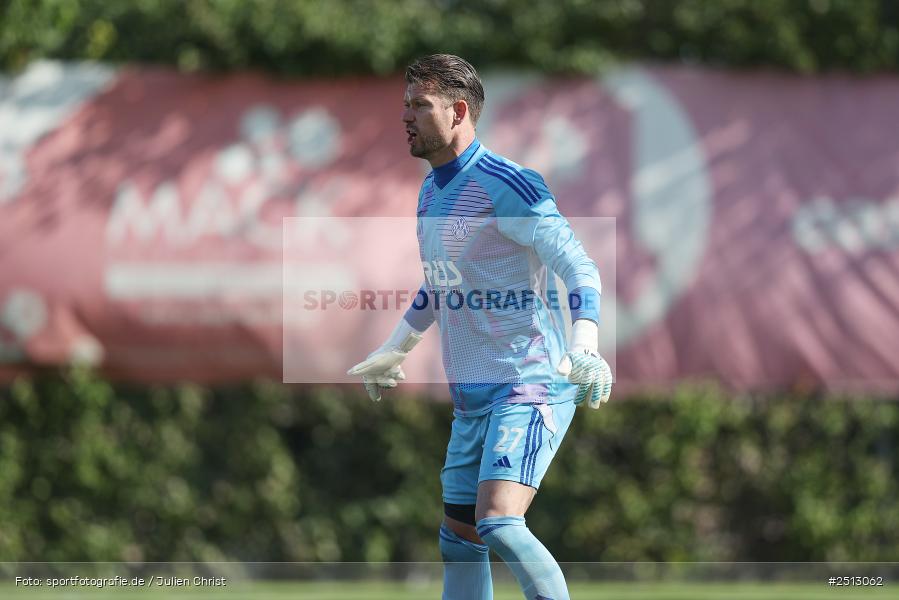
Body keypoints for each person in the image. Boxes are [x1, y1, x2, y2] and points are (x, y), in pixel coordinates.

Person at [348, 54, 612, 600]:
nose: (406, 115)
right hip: (472, 394)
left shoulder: (509, 183)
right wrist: (396, 347)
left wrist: (585, 345)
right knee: (459, 539)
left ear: (458, 110)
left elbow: (578, 266)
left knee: (498, 521)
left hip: (530, 383)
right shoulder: (429, 193)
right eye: (405, 103)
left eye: (419, 104)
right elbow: (444, 284)